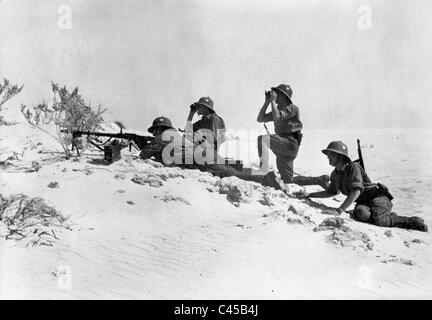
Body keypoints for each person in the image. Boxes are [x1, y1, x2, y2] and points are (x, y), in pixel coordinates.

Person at [296, 140, 428, 232]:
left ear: (340, 156)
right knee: (360, 213)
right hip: (364, 202)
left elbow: (356, 191)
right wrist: (309, 195)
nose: (328, 157)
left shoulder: (354, 167)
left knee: (379, 221)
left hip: (378, 197)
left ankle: (412, 221)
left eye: (331, 154)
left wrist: (339, 210)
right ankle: (388, 215)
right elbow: (331, 192)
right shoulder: (335, 174)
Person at [140, 116, 281, 189]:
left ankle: (266, 179)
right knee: (233, 168)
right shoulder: (174, 135)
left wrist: (140, 146)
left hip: (202, 158)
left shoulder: (162, 137)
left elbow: (144, 153)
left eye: (154, 130)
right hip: (205, 153)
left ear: (159, 129)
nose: (154, 134)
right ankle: (264, 174)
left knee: (233, 174)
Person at [256, 84, 328, 191]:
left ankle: (263, 171)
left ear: (284, 96)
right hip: (285, 145)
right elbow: (260, 119)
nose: (275, 96)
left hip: (289, 143)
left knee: (262, 139)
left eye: (277, 94)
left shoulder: (292, 108)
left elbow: (278, 116)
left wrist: (271, 101)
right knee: (288, 180)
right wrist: (267, 102)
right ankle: (319, 180)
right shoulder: (278, 109)